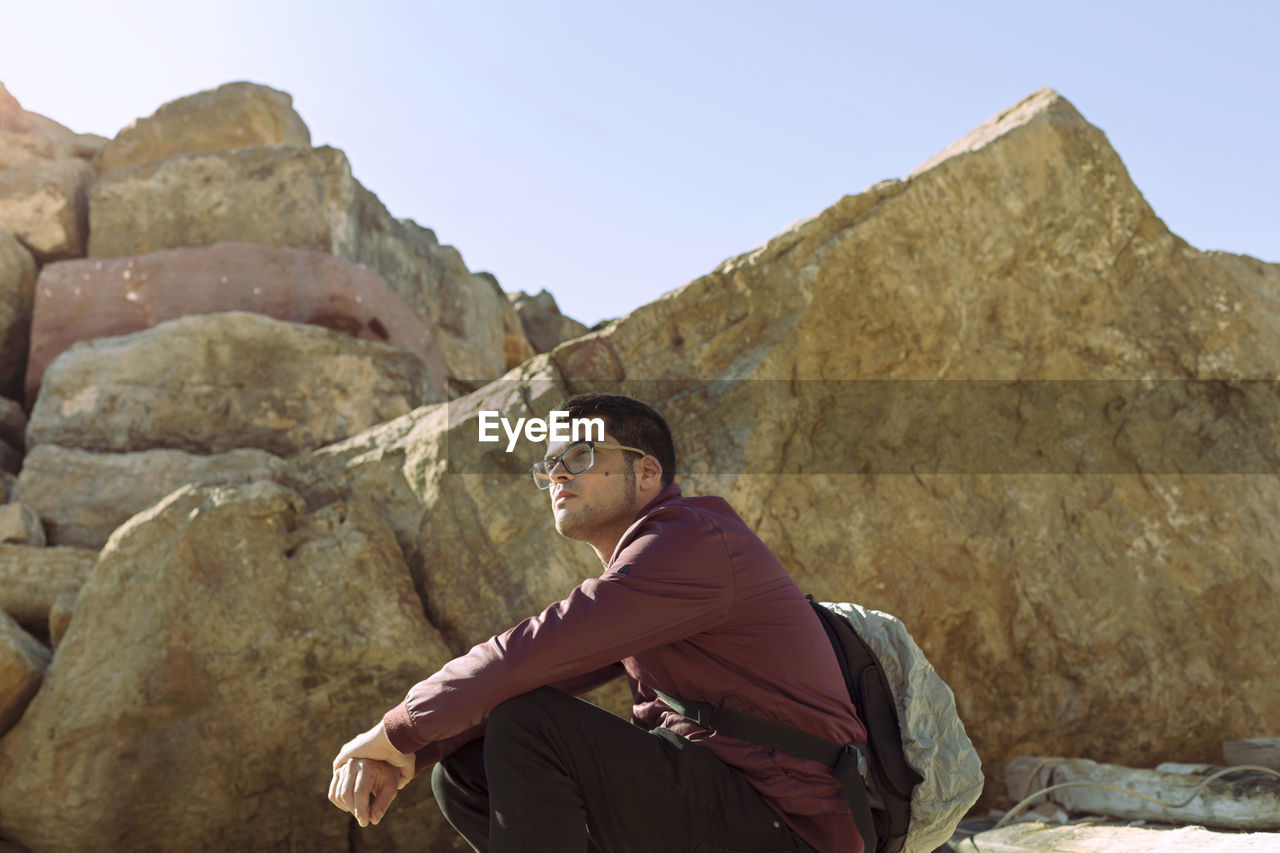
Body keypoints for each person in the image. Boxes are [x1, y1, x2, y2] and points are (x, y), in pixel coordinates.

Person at [328, 393, 867, 852]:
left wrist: (393, 732)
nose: (557, 472)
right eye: (549, 465)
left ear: (647, 471)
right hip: (727, 802)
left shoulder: (690, 542)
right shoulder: (651, 571)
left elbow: (527, 654)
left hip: (794, 823)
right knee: (465, 769)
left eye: (580, 455)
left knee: (529, 723)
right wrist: (417, 753)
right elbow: (538, 673)